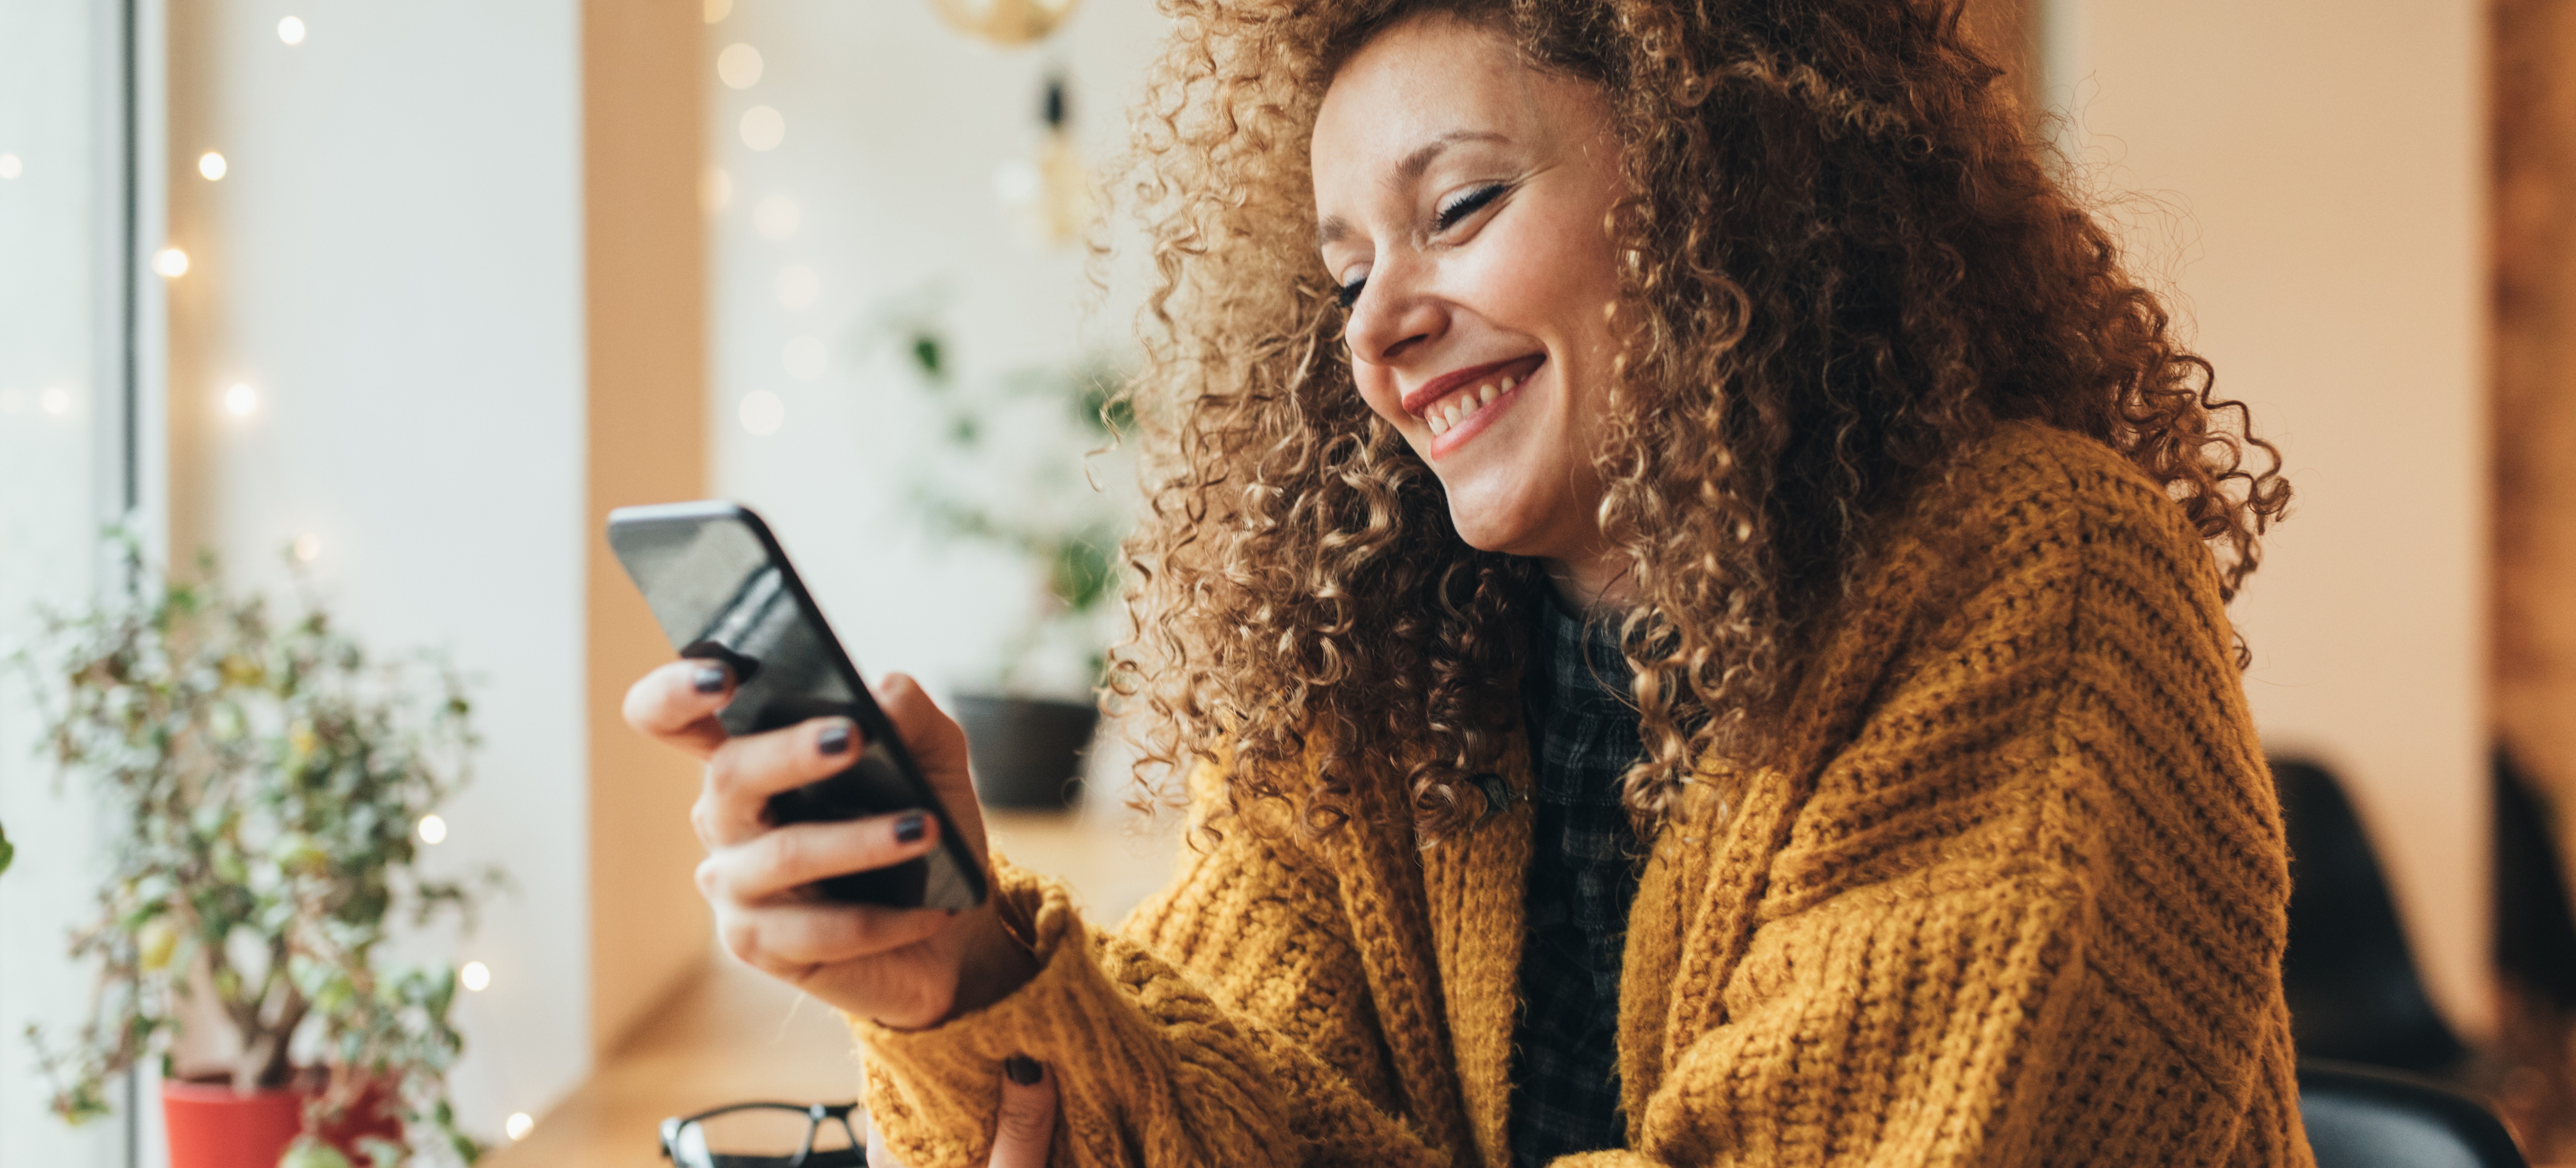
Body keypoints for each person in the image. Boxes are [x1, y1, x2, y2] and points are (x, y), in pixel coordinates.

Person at [625, 0, 2312, 1163]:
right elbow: (1212, 1113)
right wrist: (959, 976)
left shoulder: (2038, 578)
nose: (1377, 327)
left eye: (1463, 206)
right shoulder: (1382, 660)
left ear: (1729, 183)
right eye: (1346, 270)